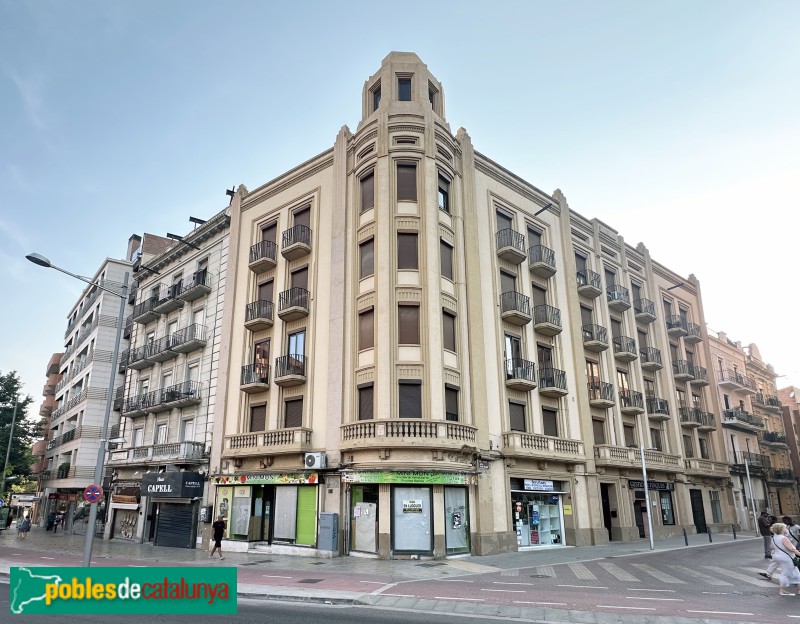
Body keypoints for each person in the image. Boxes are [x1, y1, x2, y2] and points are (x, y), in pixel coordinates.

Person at [769, 522, 800, 596]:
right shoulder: (783, 538)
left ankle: (798, 590)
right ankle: (782, 591)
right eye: (784, 528)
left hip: (779, 557)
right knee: (786, 573)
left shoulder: (774, 538)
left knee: (795, 572)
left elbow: (772, 547)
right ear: (781, 529)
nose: (786, 529)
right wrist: (798, 553)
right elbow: (791, 549)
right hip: (787, 558)